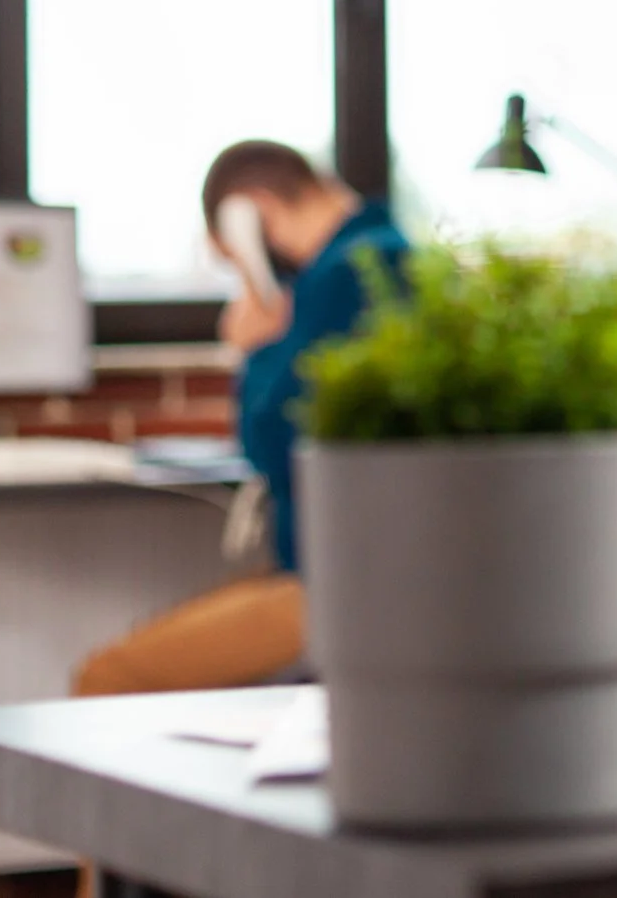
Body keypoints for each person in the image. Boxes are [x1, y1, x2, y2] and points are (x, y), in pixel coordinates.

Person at [71, 141, 408, 696]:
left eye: (233, 255)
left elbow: (274, 443)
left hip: (341, 589)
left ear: (252, 212)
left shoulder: (347, 275)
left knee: (105, 678)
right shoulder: (383, 254)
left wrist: (254, 348)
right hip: (358, 576)